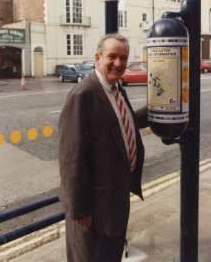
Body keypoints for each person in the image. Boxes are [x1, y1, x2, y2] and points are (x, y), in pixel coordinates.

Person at [59, 33, 148, 262]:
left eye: (123, 58)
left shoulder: (116, 90)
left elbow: (120, 125)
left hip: (115, 203)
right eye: (112, 56)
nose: (118, 63)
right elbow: (71, 159)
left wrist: (158, 110)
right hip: (93, 213)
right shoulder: (83, 95)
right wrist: (80, 211)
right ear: (98, 58)